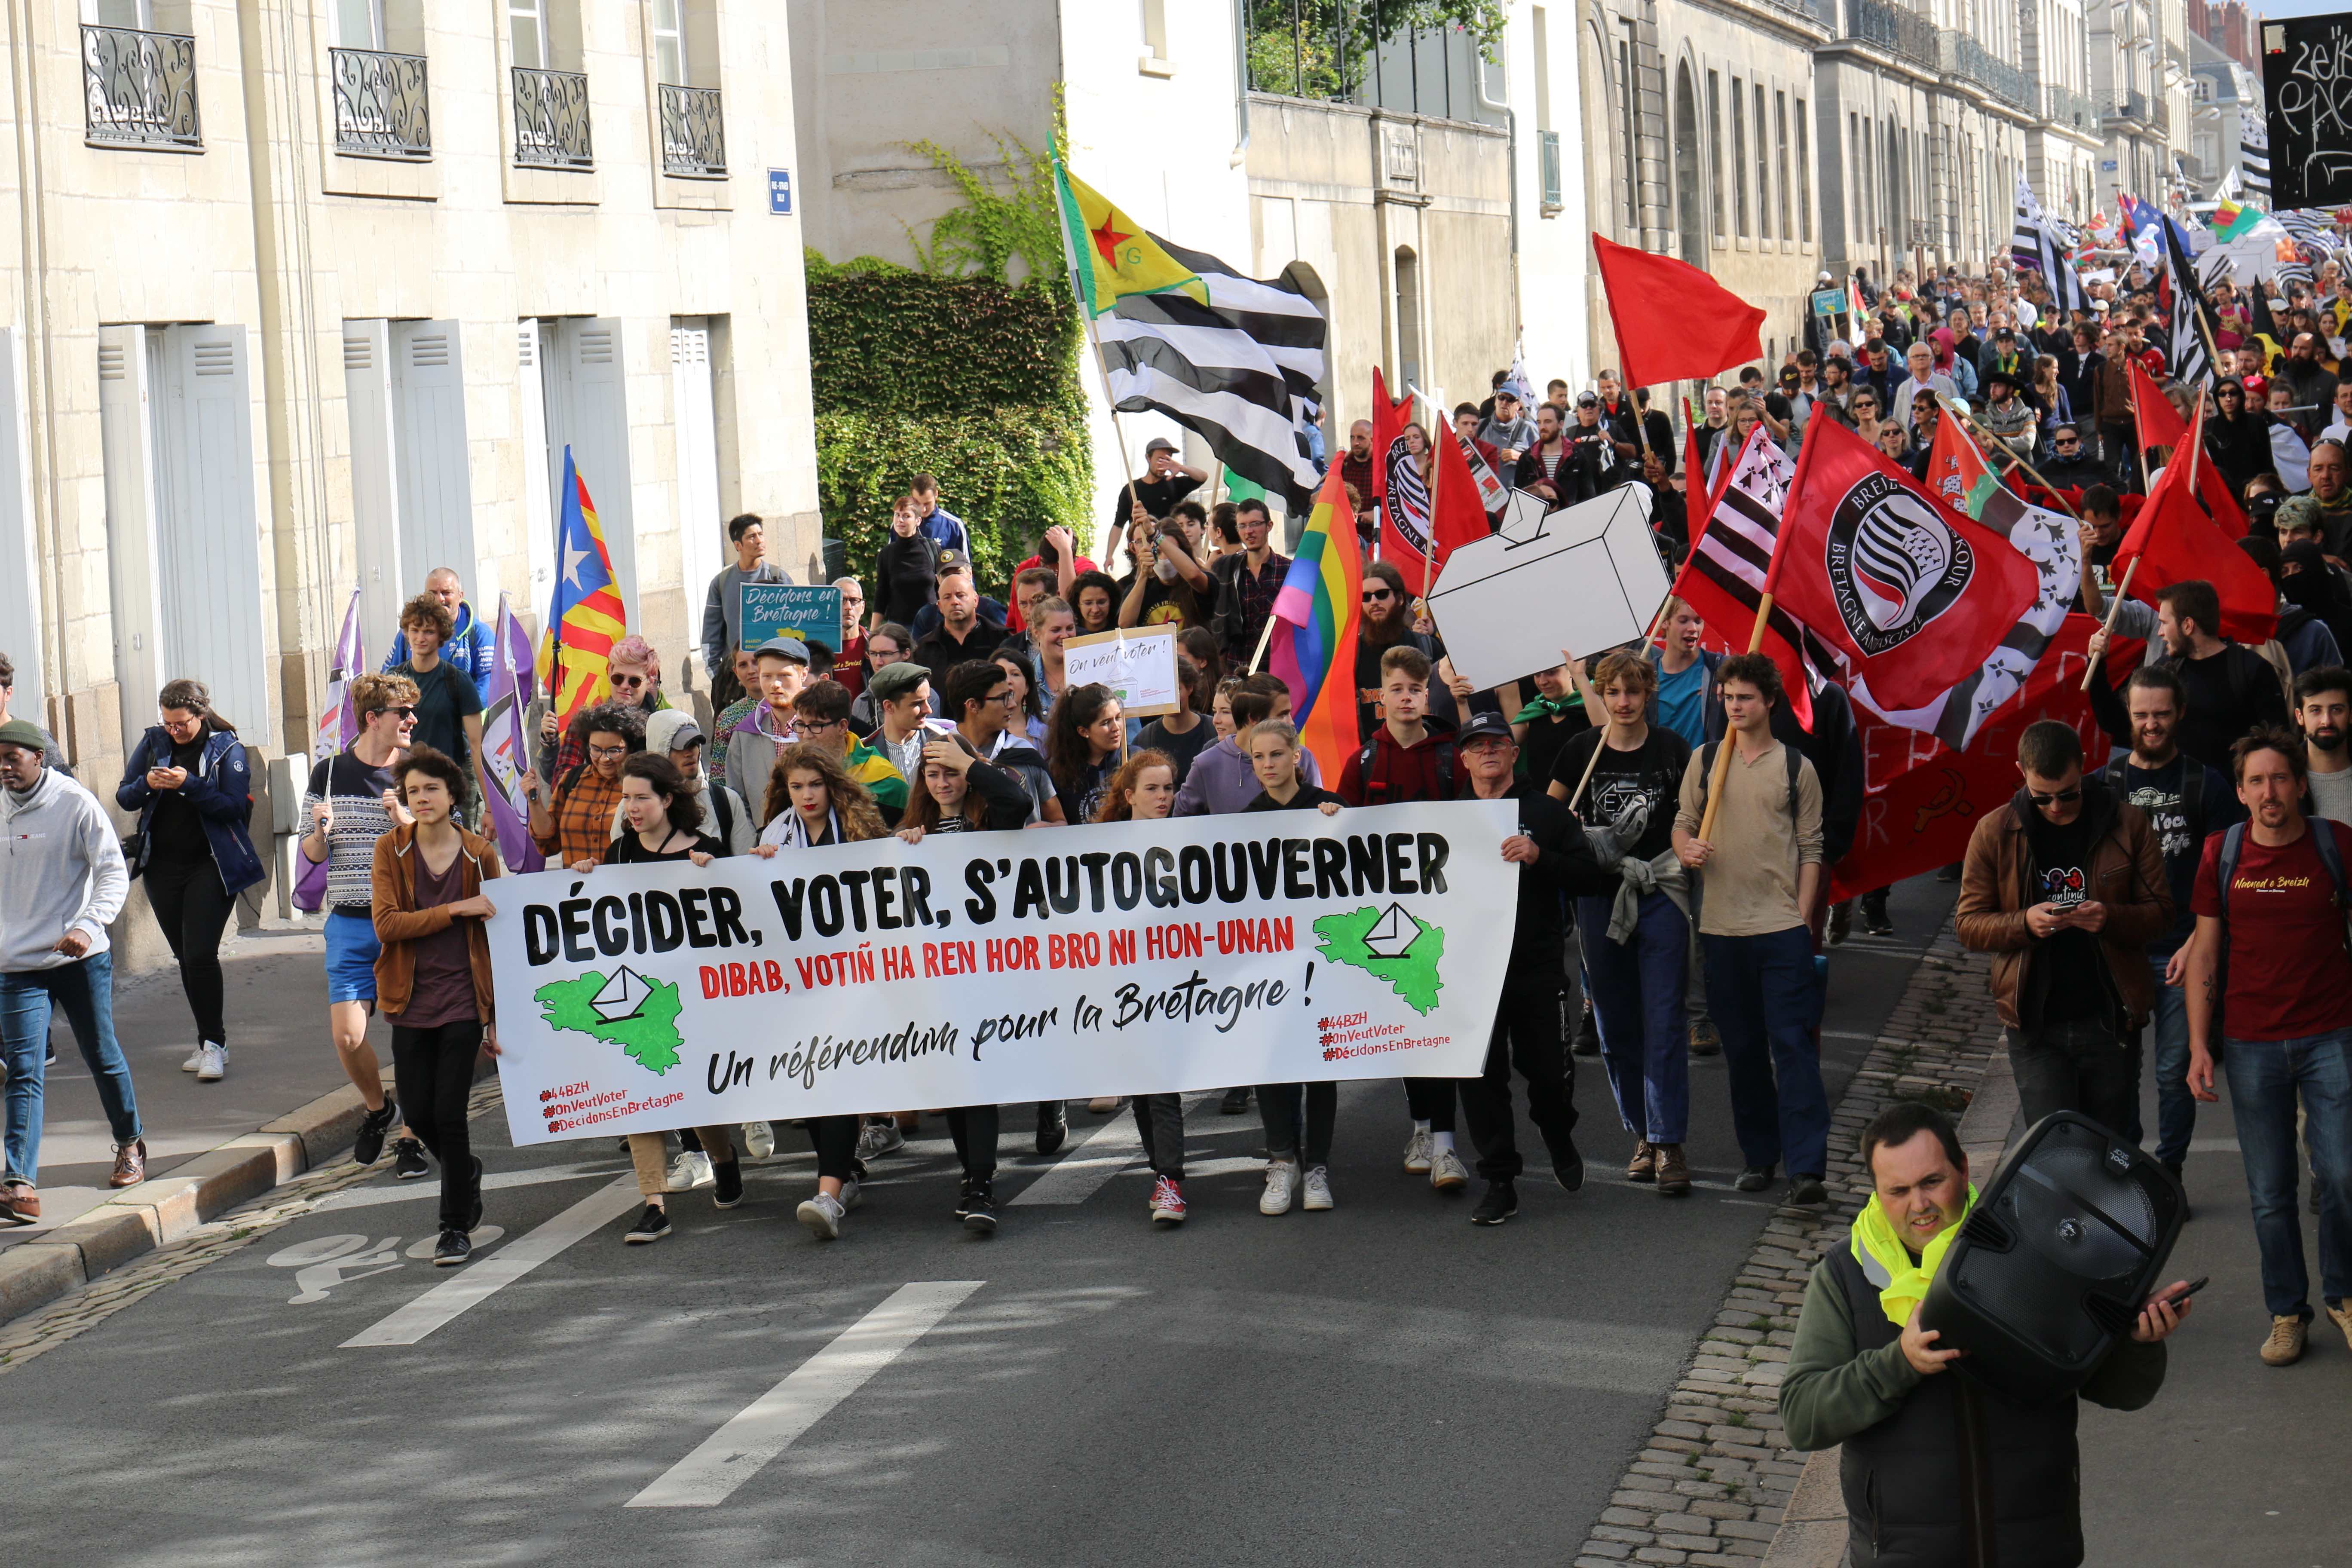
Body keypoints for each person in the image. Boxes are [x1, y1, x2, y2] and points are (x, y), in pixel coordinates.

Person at [1780, 1102, 2186, 1567]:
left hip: (2033, 1547)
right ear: (1876, 1193)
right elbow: (1803, 1416)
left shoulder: (2040, 1244)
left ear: (1964, 1169)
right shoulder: (1845, 1275)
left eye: (1932, 1182)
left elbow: (2119, 1391)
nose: (1920, 1205)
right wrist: (1899, 1363)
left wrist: (2138, 1344)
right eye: (1899, 1190)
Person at [2184, 728, 2352, 1364]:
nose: (2269, 791)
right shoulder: (2220, 855)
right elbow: (2205, 951)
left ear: (2301, 785)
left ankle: (2344, 1295)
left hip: (2332, 1034)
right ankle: (2287, 1312)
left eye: (2280, 778)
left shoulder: (2335, 844)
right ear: (2241, 792)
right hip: (2252, 1044)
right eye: (2256, 781)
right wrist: (2200, 1046)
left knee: (2342, 1173)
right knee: (2271, 1191)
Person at [1956, 719, 2170, 1140]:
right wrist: (2025, 923)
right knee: (2053, 1152)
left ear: (2083, 767)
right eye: (2043, 799)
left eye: (2068, 794)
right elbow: (1968, 925)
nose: (2056, 807)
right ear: (2021, 771)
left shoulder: (2126, 825)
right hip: (2036, 1027)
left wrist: (2109, 918)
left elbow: (2161, 914)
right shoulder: (1996, 832)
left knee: (2115, 1149)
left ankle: (2115, 1209)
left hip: (2110, 1017)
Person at [1672, 654, 1831, 1204]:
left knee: (1793, 1048)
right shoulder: (1706, 761)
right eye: (1728, 697)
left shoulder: (1796, 768)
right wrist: (1685, 850)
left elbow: (1812, 849)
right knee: (1742, 1052)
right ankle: (1759, 1157)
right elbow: (1682, 825)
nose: (1735, 707)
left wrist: (1804, 917)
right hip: (1720, 928)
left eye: (1745, 698)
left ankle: (1807, 1166)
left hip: (1782, 929)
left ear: (1769, 703)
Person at [1452, 711, 1610, 1225]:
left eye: (1498, 743)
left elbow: (1591, 877)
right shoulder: (1444, 817)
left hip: (1536, 965)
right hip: (1471, 972)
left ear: (1514, 753)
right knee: (1481, 1077)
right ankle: (1500, 1180)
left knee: (1548, 1073)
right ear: (1465, 758)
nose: (1489, 752)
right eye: (1477, 746)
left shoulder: (1547, 812)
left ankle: (1557, 1131)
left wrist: (1541, 857)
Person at [893, 732, 1049, 1228]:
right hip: (939, 978)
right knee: (956, 1080)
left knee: (977, 1074)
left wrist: (970, 761)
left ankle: (980, 1182)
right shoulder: (914, 832)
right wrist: (904, 850)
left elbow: (1018, 798)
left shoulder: (994, 820)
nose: (943, 783)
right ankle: (971, 1175)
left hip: (992, 971)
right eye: (933, 774)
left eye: (953, 772)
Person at [2092, 668, 2239, 1193]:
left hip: (2185, 949)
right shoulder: (2103, 786)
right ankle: (2130, 1171)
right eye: (2141, 715)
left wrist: (2200, 943)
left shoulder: (2207, 784)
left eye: (2161, 714)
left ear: (2178, 715)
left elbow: (2228, 873)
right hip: (2120, 952)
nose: (2151, 724)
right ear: (2128, 718)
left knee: (2176, 1071)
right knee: (2119, 1075)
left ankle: (2168, 1174)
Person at [1553, 652, 1694, 1193]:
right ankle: (1641, 1132)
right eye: (1613, 693)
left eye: (1634, 692)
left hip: (1658, 890)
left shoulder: (1672, 751)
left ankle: (1669, 1142)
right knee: (1614, 1021)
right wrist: (1565, 829)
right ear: (1601, 695)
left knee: (1662, 1016)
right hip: (1598, 896)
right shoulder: (1580, 751)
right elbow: (1549, 819)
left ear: (1649, 692)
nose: (1624, 703)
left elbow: (1690, 817)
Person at [1337, 645, 1472, 1192]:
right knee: (1410, 1031)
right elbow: (1340, 836)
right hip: (1388, 921)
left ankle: (1445, 1144)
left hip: (1443, 917)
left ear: (1426, 694)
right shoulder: (1362, 762)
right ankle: (1423, 1128)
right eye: (1397, 689)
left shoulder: (1450, 756)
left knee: (1439, 1026)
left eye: (1417, 689)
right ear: (1381, 698)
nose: (1408, 698)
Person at [0, 718, 144, 1223]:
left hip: (79, 956)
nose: (4, 768)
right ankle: (19, 1184)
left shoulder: (74, 803)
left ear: (39, 757)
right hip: (17, 964)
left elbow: (110, 870)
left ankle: (130, 1142)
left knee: (100, 1053)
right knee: (24, 1070)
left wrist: (88, 925)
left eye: (12, 758)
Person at [370, 747, 503, 1267]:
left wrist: (496, 1014)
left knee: (450, 1113)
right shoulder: (391, 850)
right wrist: (454, 909)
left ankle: (453, 1227)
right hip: (408, 997)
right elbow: (388, 924)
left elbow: (499, 937)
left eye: (431, 790)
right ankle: (464, 1171)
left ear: (453, 796)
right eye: (413, 791)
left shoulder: (478, 854)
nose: (421, 799)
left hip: (464, 1000)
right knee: (419, 1111)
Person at [753, 742, 889, 1239]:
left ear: (831, 785)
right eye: (796, 787)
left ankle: (828, 1193)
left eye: (814, 785)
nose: (806, 796)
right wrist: (758, 867)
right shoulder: (777, 834)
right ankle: (844, 1172)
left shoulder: (861, 828)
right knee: (811, 1082)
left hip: (858, 974)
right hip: (801, 981)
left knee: (836, 1079)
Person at [301, 673, 424, 1174]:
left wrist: (404, 820)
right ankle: (379, 1109)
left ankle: (413, 1138)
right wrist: (319, 832)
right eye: (403, 713)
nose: (412, 720)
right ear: (374, 719)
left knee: (412, 1036)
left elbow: (441, 848)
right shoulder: (329, 775)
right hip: (350, 922)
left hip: (407, 922)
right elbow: (310, 855)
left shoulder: (419, 770)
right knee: (348, 1037)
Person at [116, 679, 263, 1084]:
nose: (173, 731)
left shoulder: (227, 749)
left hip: (212, 865)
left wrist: (190, 785)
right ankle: (207, 1042)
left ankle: (215, 1044)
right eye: (167, 723)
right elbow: (125, 796)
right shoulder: (153, 743)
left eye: (180, 724)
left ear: (200, 715)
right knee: (186, 957)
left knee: (200, 955)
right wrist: (148, 784)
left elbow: (232, 808)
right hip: (162, 866)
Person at [1234, 720, 1345, 1214]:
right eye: (1260, 758)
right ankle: (1282, 1159)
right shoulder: (1247, 819)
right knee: (1272, 1058)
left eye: (1277, 755)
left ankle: (1316, 1164)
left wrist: (1340, 822)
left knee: (1320, 1061)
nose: (1269, 765)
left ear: (1296, 755)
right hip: (1269, 960)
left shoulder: (1327, 805)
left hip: (1323, 957)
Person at [1090, 748, 1194, 1222]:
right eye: (1152, 789)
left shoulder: (1191, 841)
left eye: (1169, 788)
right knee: (1144, 1088)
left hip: (1175, 984)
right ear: (1129, 794)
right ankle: (1163, 1175)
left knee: (1162, 1085)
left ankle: (1170, 1181)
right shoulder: (1101, 848)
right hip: (1122, 985)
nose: (1163, 797)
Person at [2086, 579, 2291, 772]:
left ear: (2188, 626)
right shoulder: (2166, 670)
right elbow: (2117, 723)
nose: (2160, 633)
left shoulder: (2251, 670)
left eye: (2164, 623)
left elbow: (2279, 744)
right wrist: (2096, 664)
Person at [389, 592, 487, 811]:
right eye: (415, 630)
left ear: (441, 636)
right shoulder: (393, 679)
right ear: (406, 634)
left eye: (429, 632)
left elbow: (477, 745)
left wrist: (490, 807)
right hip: (405, 790)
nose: (420, 638)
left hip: (449, 790)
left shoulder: (458, 680)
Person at [1174, 674, 1324, 814]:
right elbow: (1182, 825)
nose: (1291, 722)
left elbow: (1319, 815)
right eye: (1283, 714)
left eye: (1277, 755)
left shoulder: (1301, 756)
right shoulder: (1206, 764)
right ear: (1254, 719)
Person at [524, 702, 640, 868]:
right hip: (577, 892)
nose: (604, 759)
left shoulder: (642, 784)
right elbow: (549, 844)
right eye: (596, 750)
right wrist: (534, 802)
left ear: (630, 748)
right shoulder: (572, 780)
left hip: (625, 890)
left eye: (614, 751)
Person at [790, 678, 909, 823]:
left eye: (816, 726)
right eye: (801, 725)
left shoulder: (885, 781)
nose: (807, 736)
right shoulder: (790, 772)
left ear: (842, 726)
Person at [700, 514, 790, 704]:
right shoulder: (722, 582)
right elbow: (711, 634)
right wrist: (717, 675)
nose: (759, 541)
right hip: (735, 681)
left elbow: (796, 628)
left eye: (761, 534)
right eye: (752, 537)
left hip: (775, 677)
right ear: (738, 545)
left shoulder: (778, 577)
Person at [717, 636, 810, 817]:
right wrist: (756, 840)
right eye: (767, 676)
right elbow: (737, 802)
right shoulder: (745, 735)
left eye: (784, 676)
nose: (775, 684)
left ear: (804, 675)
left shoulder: (822, 728)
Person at [379, 567, 496, 703]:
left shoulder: (479, 633)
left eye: (447, 593)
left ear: (460, 597)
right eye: (433, 593)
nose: (440, 599)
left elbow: (490, 682)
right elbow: (388, 678)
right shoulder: (407, 634)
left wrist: (461, 712)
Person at [1207, 499, 1289, 668]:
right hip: (1238, 670)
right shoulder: (1227, 569)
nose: (1249, 532)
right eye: (1242, 526)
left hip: (1278, 670)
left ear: (1269, 526)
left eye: (1255, 524)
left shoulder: (1289, 570)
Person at [1045, 683, 1124, 827]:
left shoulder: (1133, 760)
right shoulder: (1059, 772)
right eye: (1106, 723)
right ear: (1083, 731)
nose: (1116, 728)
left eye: (1118, 718)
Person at [910, 561, 1005, 676]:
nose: (954, 602)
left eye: (961, 595)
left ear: (976, 600)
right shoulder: (924, 649)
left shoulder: (1001, 641)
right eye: (947, 597)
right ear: (940, 606)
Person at [1136, 656, 1213, 784]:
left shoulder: (1214, 730)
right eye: (1162, 691)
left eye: (1175, 690)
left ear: (1190, 688)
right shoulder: (1144, 739)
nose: (1169, 697)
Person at [871, 494, 940, 631]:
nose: (900, 520)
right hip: (898, 630)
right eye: (897, 515)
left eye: (906, 516)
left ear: (918, 521)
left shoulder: (932, 549)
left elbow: (942, 588)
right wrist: (872, 634)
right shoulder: (887, 554)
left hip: (931, 627)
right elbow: (881, 596)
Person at [1110, 436, 1206, 530]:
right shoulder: (1131, 489)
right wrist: (1110, 547)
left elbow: (1203, 477)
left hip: (1170, 543)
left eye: (1167, 460)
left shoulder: (1174, 484)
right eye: (1160, 460)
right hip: (1143, 543)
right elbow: (1118, 525)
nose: (1163, 465)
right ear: (1148, 458)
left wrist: (1181, 468)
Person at [909, 474, 968, 556]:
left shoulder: (955, 526)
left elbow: (966, 566)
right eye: (918, 503)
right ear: (911, 497)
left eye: (927, 504)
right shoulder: (900, 524)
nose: (923, 509)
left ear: (936, 495)